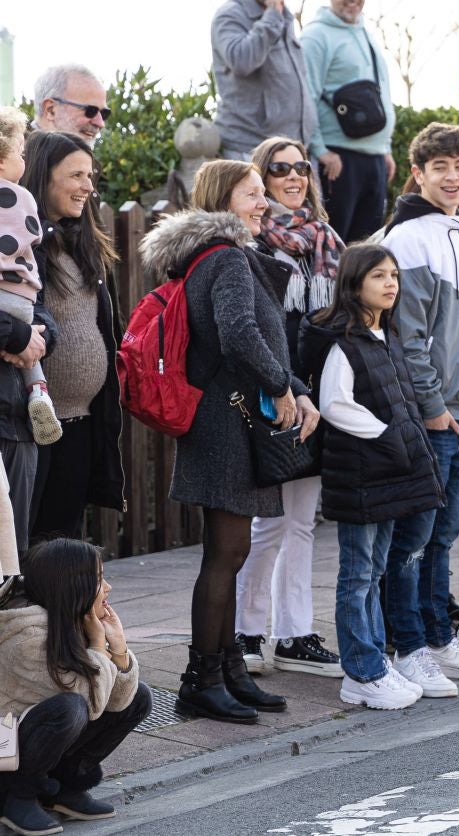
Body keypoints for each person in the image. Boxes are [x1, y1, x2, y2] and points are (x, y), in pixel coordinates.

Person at [140, 160, 319, 723]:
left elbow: (255, 339)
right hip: (226, 424)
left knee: (232, 552)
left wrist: (293, 387)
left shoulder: (207, 259)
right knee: (223, 556)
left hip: (223, 421)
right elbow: (241, 333)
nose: (264, 202)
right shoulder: (227, 258)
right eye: (253, 193)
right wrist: (280, 389)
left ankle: (228, 671)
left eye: (264, 194)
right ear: (224, 201)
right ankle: (202, 679)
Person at [382, 122, 459, 698]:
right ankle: (407, 645)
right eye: (441, 168)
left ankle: (435, 636)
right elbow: (408, 338)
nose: (453, 177)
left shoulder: (452, 232)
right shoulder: (410, 238)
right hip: (437, 418)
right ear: (419, 173)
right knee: (412, 539)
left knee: (443, 536)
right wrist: (432, 407)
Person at [297, 243, 443, 711]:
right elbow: (336, 404)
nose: (390, 283)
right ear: (354, 283)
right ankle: (361, 670)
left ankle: (378, 660)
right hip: (362, 473)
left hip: (387, 473)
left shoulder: (387, 335)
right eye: (379, 275)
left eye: (394, 275)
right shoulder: (345, 341)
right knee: (357, 574)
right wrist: (387, 437)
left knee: (376, 569)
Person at [233, 137, 346, 679]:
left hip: (320, 392)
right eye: (279, 170)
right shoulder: (254, 246)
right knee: (268, 523)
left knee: (303, 520)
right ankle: (247, 632)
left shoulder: (327, 240)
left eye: (301, 167)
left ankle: (295, 633)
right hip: (273, 393)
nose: (294, 176)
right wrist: (285, 388)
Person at [0, 539, 151, 835]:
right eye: (98, 579)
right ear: (71, 586)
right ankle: (16, 797)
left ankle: (65, 788)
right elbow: (87, 701)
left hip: (30, 738)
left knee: (138, 697)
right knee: (70, 708)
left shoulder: (66, 620)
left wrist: (118, 650)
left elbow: (117, 701)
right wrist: (98, 645)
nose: (107, 588)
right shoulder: (26, 638)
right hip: (5, 755)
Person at [19, 132, 123, 547]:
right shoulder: (25, 247)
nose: (88, 186)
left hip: (80, 419)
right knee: (34, 544)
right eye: (76, 175)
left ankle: (64, 614)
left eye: (90, 175)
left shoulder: (83, 244)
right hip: (34, 425)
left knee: (65, 542)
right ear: (43, 178)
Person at [301, 0, 397, 242]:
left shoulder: (366, 32)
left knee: (367, 249)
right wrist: (320, 150)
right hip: (338, 159)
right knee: (335, 246)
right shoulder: (316, 36)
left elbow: (381, 94)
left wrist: (385, 148)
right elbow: (306, 97)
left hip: (374, 158)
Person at [210, 0, 317, 159]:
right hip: (250, 151)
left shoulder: (280, 14)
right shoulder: (230, 16)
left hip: (293, 149)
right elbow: (242, 60)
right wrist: (271, 18)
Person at [0, 121, 60, 448]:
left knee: (26, 338)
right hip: (19, 297)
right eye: (21, 154)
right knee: (26, 341)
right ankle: (39, 391)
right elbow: (33, 236)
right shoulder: (22, 197)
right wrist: (20, 335)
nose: (26, 163)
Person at [31, 65, 109, 143]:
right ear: (51, 110)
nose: (100, 123)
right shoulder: (20, 152)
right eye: (91, 111)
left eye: (104, 113)